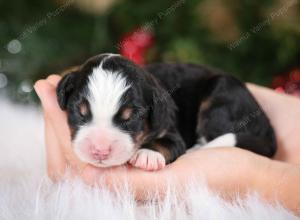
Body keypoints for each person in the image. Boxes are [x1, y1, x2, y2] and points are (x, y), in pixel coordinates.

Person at [34, 75, 300, 214]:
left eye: (126, 120)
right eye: (82, 115)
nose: (100, 147)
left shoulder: (157, 106)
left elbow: (169, 139)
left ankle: (223, 140)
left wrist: (258, 178)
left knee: (216, 105)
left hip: (221, 99)